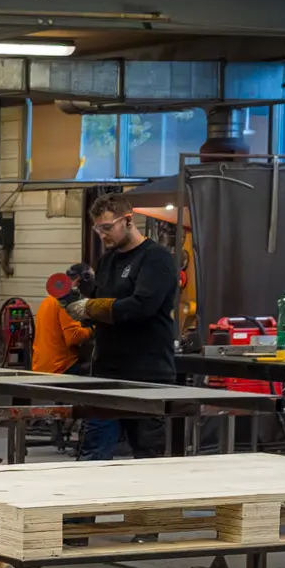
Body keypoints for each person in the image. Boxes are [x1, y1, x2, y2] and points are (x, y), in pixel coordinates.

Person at [66, 194, 180, 459]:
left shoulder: (156, 259)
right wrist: (78, 306)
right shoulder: (107, 261)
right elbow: (99, 306)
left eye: (107, 227)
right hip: (106, 374)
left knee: (147, 457)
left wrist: (93, 308)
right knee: (94, 455)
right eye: (98, 229)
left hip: (147, 376)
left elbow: (142, 306)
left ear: (128, 220)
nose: (102, 235)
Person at [32, 282, 92, 375]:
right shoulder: (65, 303)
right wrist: (92, 329)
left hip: (40, 367)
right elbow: (74, 337)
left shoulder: (47, 301)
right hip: (60, 368)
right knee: (100, 367)